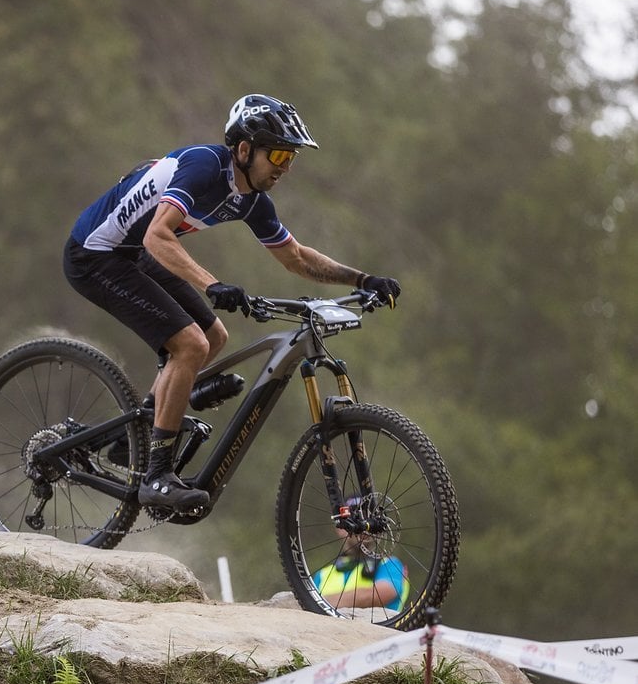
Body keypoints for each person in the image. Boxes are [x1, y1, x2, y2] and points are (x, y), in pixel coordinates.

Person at [63, 93, 401, 512]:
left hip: (134, 254)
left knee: (213, 335)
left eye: (291, 157)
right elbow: (157, 235)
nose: (285, 166)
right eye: (278, 153)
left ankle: (129, 439)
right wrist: (213, 284)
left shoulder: (253, 199)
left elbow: (295, 257)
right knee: (191, 345)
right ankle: (157, 476)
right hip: (94, 255)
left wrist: (362, 278)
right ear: (244, 149)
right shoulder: (205, 167)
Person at [313, 498, 410, 611]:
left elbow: (381, 595)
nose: (364, 525)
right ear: (340, 528)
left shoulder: (390, 564)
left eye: (369, 519)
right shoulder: (322, 575)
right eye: (356, 519)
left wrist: (318, 602)